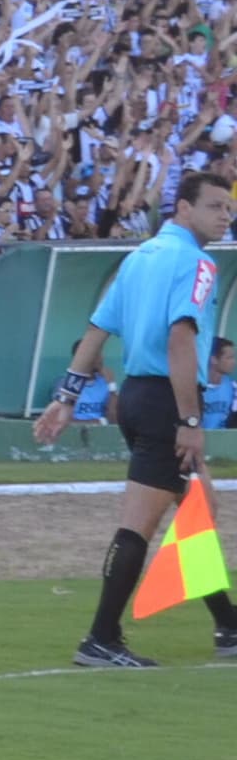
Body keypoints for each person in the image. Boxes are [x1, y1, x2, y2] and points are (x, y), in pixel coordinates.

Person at [37, 167, 237, 667]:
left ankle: (228, 626)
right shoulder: (196, 265)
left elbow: (97, 331)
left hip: (136, 398)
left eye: (229, 207)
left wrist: (66, 394)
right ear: (183, 209)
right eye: (215, 206)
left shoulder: (139, 257)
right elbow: (180, 339)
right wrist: (190, 424)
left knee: (198, 510)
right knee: (137, 526)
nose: (225, 215)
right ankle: (101, 638)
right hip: (166, 403)